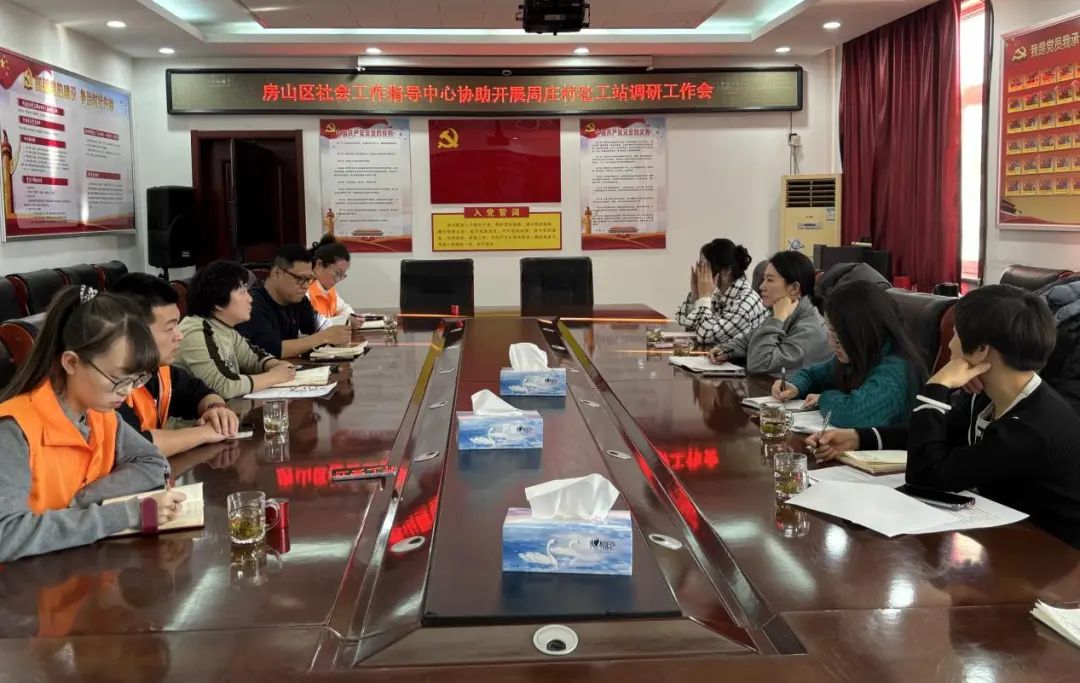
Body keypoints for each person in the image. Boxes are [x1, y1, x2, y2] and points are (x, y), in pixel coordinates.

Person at [807, 285, 1080, 548]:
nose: (949, 344)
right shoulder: (992, 395)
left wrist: (936, 387)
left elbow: (926, 475)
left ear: (982, 350)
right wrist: (859, 438)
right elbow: (943, 433)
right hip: (1006, 539)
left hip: (1051, 558)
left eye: (956, 335)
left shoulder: (1029, 429)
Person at [0, 286, 186, 562]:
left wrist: (83, 500)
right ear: (71, 363)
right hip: (25, 582)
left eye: (136, 379)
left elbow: (155, 464)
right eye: (118, 379)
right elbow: (6, 535)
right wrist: (126, 513)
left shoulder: (102, 414)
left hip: (79, 568)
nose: (127, 392)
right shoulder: (14, 429)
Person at [111, 274, 241, 456]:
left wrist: (216, 409)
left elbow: (199, 392)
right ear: (135, 333)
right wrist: (207, 432)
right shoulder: (109, 384)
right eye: (169, 328)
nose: (179, 335)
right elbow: (135, 444)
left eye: (178, 325)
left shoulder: (159, 372)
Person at [772, 280, 926, 428]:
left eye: (837, 337)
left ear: (861, 333)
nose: (831, 343)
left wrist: (823, 399)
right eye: (829, 331)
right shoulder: (859, 356)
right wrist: (795, 386)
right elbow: (813, 375)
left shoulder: (895, 370)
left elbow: (855, 414)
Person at [175, 260, 297, 400]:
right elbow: (222, 386)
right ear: (218, 302)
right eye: (242, 292)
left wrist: (276, 365)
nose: (250, 299)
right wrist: (274, 376)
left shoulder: (225, 327)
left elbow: (253, 359)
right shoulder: (196, 332)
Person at [709, 250, 830, 375]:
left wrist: (777, 319)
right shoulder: (786, 313)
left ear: (794, 288)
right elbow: (750, 340)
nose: (761, 286)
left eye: (770, 280)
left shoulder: (810, 330)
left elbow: (760, 363)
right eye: (764, 279)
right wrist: (725, 350)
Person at [236, 244, 353, 358]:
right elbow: (270, 349)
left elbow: (319, 325)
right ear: (277, 273)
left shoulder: (298, 300)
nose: (306, 286)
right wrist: (323, 337)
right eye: (300, 279)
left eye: (309, 279)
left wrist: (338, 335)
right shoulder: (251, 304)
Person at [676, 238, 767, 347]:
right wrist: (696, 296)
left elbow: (705, 336)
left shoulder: (745, 303)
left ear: (726, 271)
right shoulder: (718, 294)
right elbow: (685, 323)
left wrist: (704, 298)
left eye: (705, 267)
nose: (700, 272)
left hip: (741, 358)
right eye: (700, 266)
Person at [308, 234, 359, 330]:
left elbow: (343, 308)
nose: (338, 280)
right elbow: (314, 323)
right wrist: (346, 321)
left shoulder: (328, 289)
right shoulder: (304, 289)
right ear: (319, 264)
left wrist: (352, 317)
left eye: (342, 276)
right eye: (337, 273)